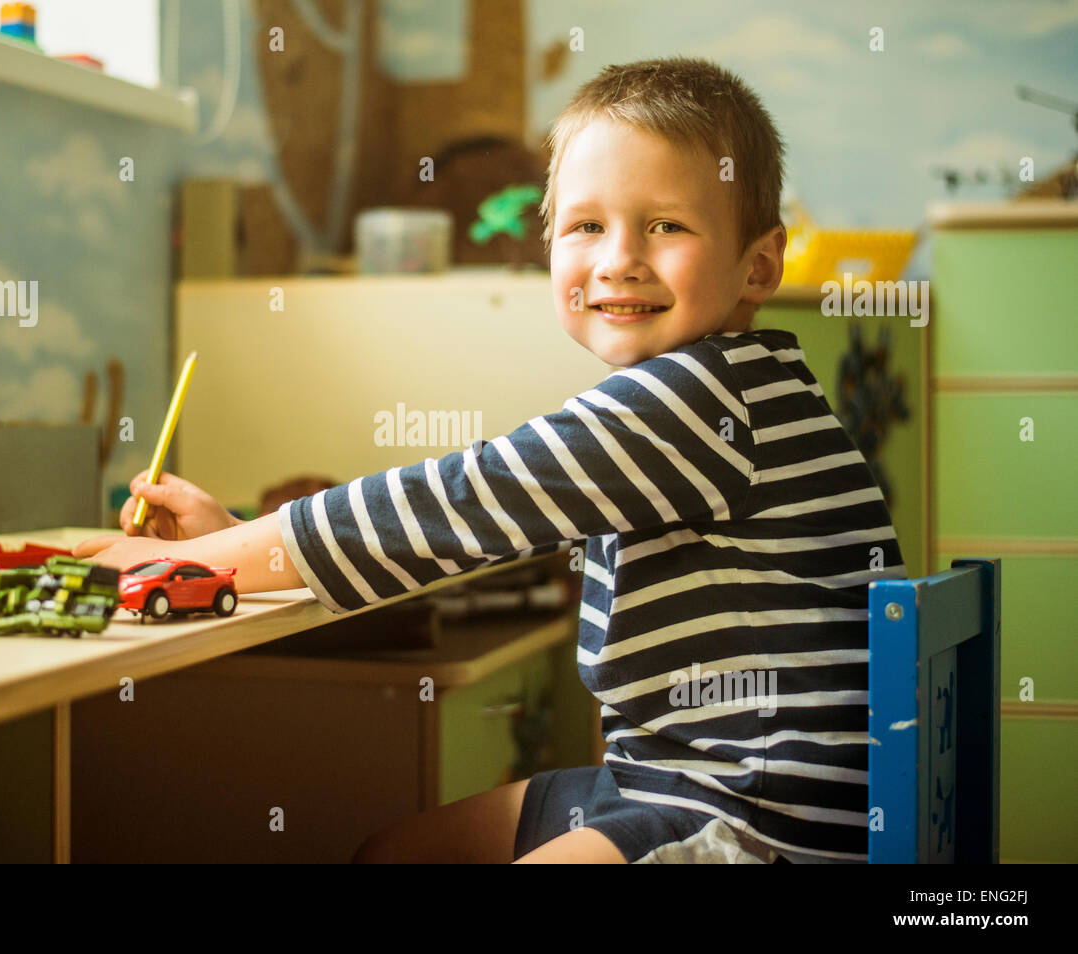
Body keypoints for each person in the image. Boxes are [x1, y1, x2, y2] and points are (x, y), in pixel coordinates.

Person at [75, 56, 906, 864]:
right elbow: (475, 521)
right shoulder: (724, 389)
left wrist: (192, 563)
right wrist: (244, 541)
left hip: (755, 817)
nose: (618, 257)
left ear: (758, 265)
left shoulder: (702, 400)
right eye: (586, 225)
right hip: (664, 779)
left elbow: (460, 503)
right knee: (396, 851)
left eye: (666, 226)